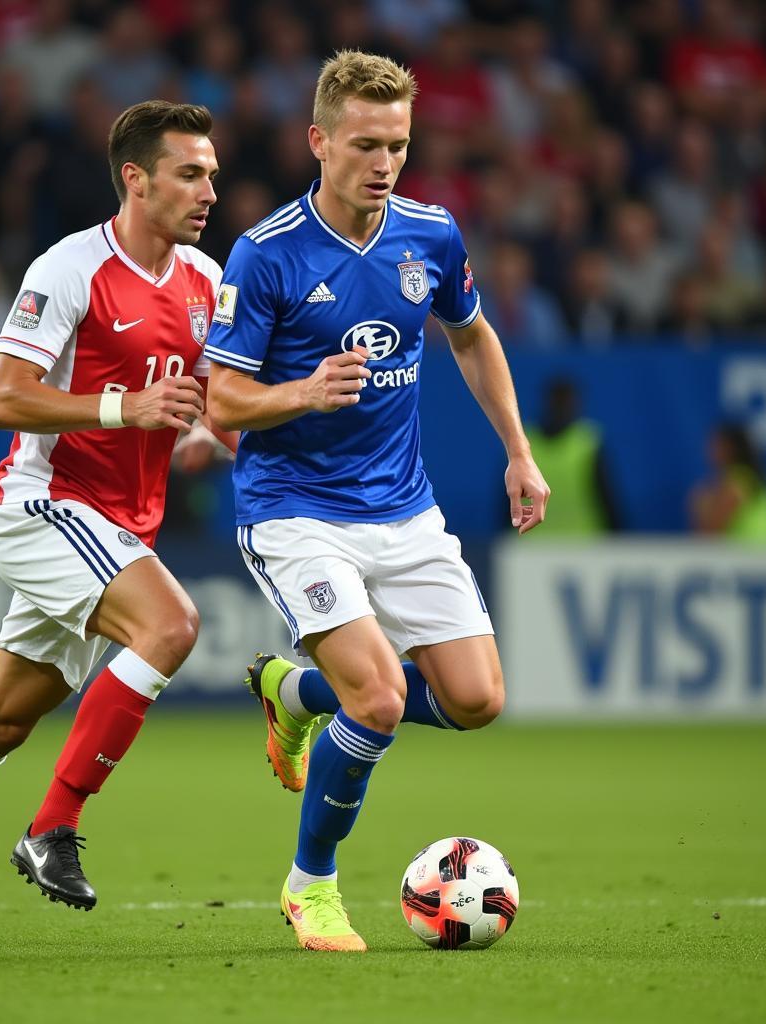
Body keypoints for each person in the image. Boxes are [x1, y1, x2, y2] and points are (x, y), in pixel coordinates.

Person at [0, 100, 232, 938]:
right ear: (135, 178)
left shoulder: (206, 284)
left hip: (121, 530)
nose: (209, 190)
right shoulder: (69, 269)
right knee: (171, 627)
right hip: (41, 507)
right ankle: (54, 826)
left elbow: (206, 402)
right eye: (189, 173)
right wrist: (130, 408)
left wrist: (207, 433)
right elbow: (3, 399)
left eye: (211, 173)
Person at [205, 51, 549, 953]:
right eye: (365, 144)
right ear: (318, 141)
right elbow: (221, 403)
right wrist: (304, 392)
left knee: (476, 701)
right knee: (384, 698)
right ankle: (310, 884)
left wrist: (518, 451)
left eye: (397, 144)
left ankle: (296, 691)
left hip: (403, 511)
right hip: (294, 511)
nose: (385, 162)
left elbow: (472, 339)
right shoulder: (267, 252)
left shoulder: (429, 234)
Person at [522, 377, 620, 537]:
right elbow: (608, 500)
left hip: (533, 544)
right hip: (582, 544)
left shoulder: (524, 441)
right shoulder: (588, 441)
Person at [689, 422, 766, 545]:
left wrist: (699, 505)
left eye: (716, 445)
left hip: (743, 560)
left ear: (730, 448)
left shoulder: (738, 481)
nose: (709, 450)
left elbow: (708, 534)